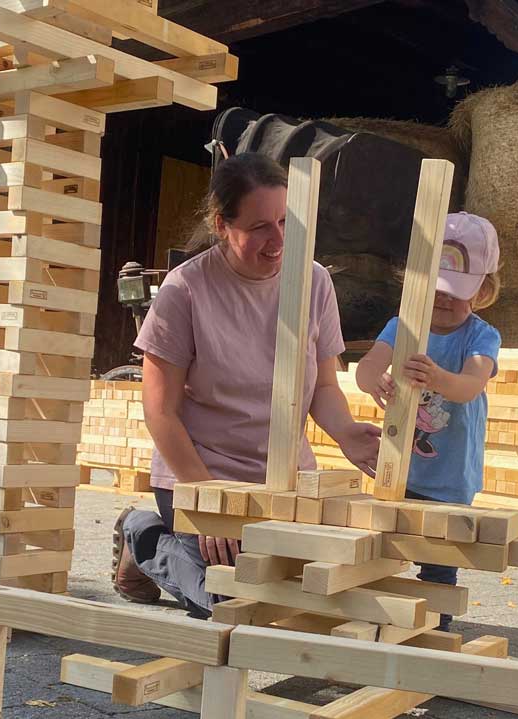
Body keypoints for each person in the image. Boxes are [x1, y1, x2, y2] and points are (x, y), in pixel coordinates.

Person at [111, 153, 380, 617]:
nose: (278, 239)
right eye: (259, 226)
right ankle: (144, 535)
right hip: (198, 475)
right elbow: (160, 412)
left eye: (284, 221)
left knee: (302, 591)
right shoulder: (184, 290)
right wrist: (212, 503)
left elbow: (323, 387)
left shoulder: (314, 281)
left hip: (283, 479)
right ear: (221, 225)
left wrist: (349, 434)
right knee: (230, 601)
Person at [354, 212, 502, 630]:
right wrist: (374, 382)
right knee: (385, 544)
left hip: (449, 476)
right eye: (436, 288)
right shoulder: (402, 326)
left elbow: (471, 385)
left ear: (484, 288)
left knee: (438, 558)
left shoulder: (480, 336)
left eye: (456, 292)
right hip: (400, 468)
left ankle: (437, 627)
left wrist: (438, 378)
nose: (442, 299)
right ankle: (383, 616)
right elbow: (366, 367)